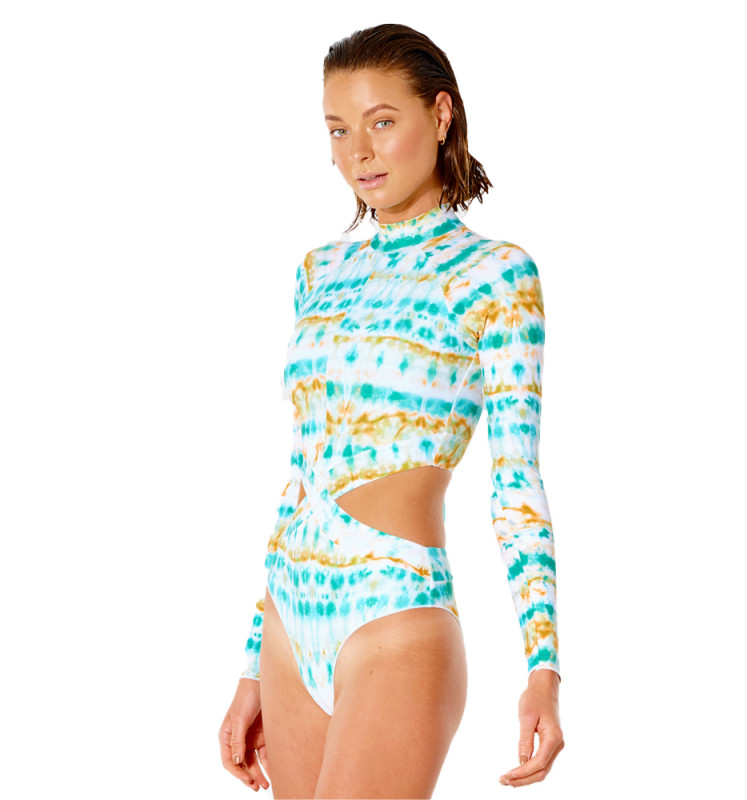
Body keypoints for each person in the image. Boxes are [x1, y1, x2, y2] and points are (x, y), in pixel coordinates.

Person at [218, 23, 565, 798]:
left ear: (440, 115)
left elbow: (515, 480)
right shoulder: (320, 271)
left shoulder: (495, 276)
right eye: (338, 130)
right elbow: (301, 472)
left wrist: (543, 667)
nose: (359, 152)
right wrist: (250, 666)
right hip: (290, 620)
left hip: (395, 611)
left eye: (381, 122)